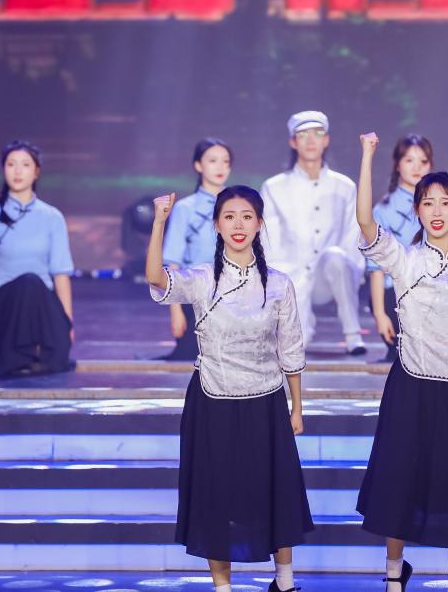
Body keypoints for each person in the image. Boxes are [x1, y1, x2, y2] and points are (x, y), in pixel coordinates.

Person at [354, 133, 448, 592]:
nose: (437, 211)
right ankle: (393, 574)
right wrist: (367, 156)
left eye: (445, 203)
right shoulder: (404, 260)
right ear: (417, 210)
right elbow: (365, 221)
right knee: (399, 482)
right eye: (428, 203)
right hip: (412, 386)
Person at [146, 185, 313, 592]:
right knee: (216, 497)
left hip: (266, 400)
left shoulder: (278, 284)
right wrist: (159, 222)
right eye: (229, 216)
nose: (238, 224)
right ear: (217, 225)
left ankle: (284, 582)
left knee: (275, 491)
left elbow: (290, 349)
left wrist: (297, 407)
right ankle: (223, 587)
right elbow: (156, 279)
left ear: (259, 224)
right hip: (213, 400)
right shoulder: (202, 279)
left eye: (247, 216)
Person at [0, 140, 75, 376]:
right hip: (6, 304)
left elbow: (61, 275)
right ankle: (19, 354)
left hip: (43, 304)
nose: (17, 171)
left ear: (36, 172)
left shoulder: (52, 217)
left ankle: (35, 353)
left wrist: (68, 322)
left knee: (56, 360)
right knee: (28, 282)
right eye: (11, 164)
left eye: (25, 165)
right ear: (3, 170)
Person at [261, 110, 366, 355]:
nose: (310, 140)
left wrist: (352, 279)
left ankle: (353, 334)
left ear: (326, 140)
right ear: (293, 142)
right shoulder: (274, 187)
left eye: (317, 134)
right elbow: (269, 242)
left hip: (328, 277)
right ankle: (299, 328)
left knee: (336, 256)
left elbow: (353, 237)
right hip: (291, 278)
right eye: (303, 135)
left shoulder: (344, 186)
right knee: (296, 346)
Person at [158, 138, 233, 360]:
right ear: (198, 165)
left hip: (234, 298)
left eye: (225, 162)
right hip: (196, 299)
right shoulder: (185, 208)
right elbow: (172, 263)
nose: (220, 167)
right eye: (213, 161)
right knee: (197, 359)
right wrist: (175, 312)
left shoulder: (239, 205)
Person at [369, 135, 435, 362]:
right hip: (396, 295)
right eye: (409, 160)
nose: (417, 167)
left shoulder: (441, 205)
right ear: (397, 165)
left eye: (423, 161)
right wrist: (379, 314)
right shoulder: (383, 210)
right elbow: (376, 268)